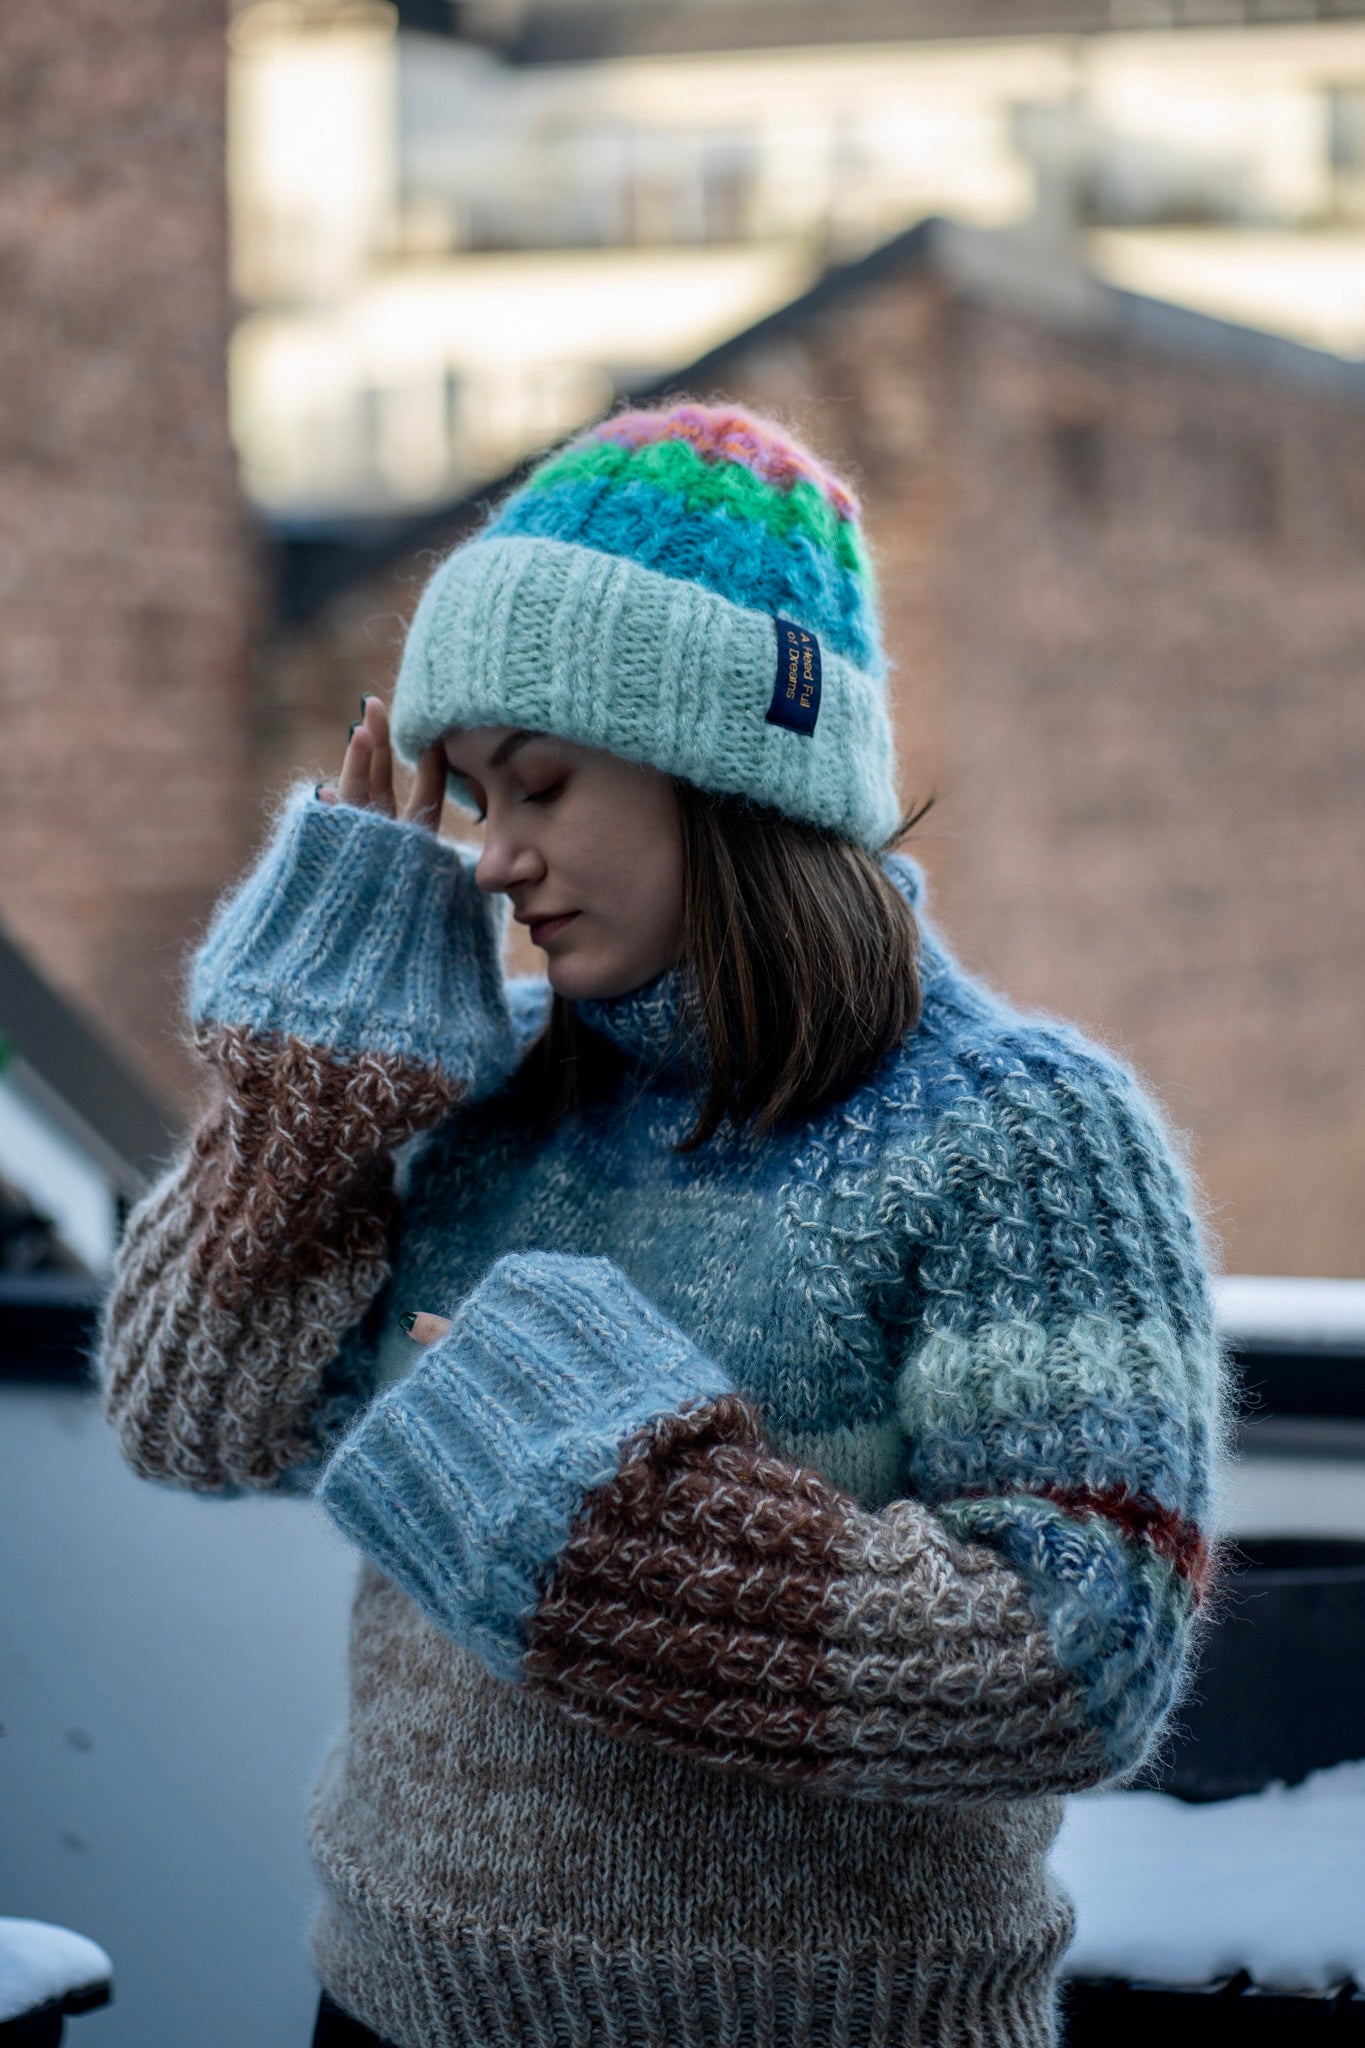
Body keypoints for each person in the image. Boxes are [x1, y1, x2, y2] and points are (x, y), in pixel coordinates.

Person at [96, 397, 1233, 2048]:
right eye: (471, 797)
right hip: (387, 2007)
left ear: (729, 771)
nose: (493, 861)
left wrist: (613, 1520)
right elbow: (192, 1424)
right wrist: (309, 1092)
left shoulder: (1023, 1134)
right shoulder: (476, 1093)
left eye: (541, 785)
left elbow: (1080, 1664)